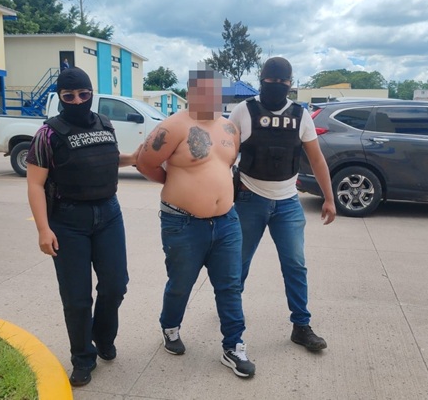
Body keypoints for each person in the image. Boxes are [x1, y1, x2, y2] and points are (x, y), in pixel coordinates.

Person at [136, 66, 256, 378]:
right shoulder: (172, 127)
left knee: (230, 286)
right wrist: (176, 184)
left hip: (227, 221)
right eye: (204, 91)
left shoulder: (230, 128)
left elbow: (226, 166)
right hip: (182, 223)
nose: (211, 97)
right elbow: (144, 163)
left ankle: (234, 346)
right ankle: (170, 327)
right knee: (181, 284)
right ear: (190, 93)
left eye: (216, 91)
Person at [26, 67, 139, 387]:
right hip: (68, 222)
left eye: (83, 94)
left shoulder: (105, 123)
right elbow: (35, 184)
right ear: (60, 97)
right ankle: (82, 357)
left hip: (109, 214)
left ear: (91, 93)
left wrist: (133, 158)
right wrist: (43, 229)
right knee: (77, 298)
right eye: (69, 96)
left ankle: (102, 337)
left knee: (116, 285)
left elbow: (110, 158)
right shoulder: (48, 134)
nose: (77, 100)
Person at [229, 57, 336, 352]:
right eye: (271, 80)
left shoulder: (301, 115)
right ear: (261, 80)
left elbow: (316, 159)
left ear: (290, 83)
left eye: (282, 81)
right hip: (249, 198)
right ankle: (230, 312)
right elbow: (225, 155)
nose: (276, 85)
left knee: (295, 265)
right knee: (238, 264)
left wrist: (329, 198)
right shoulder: (243, 111)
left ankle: (301, 326)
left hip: (287, 201)